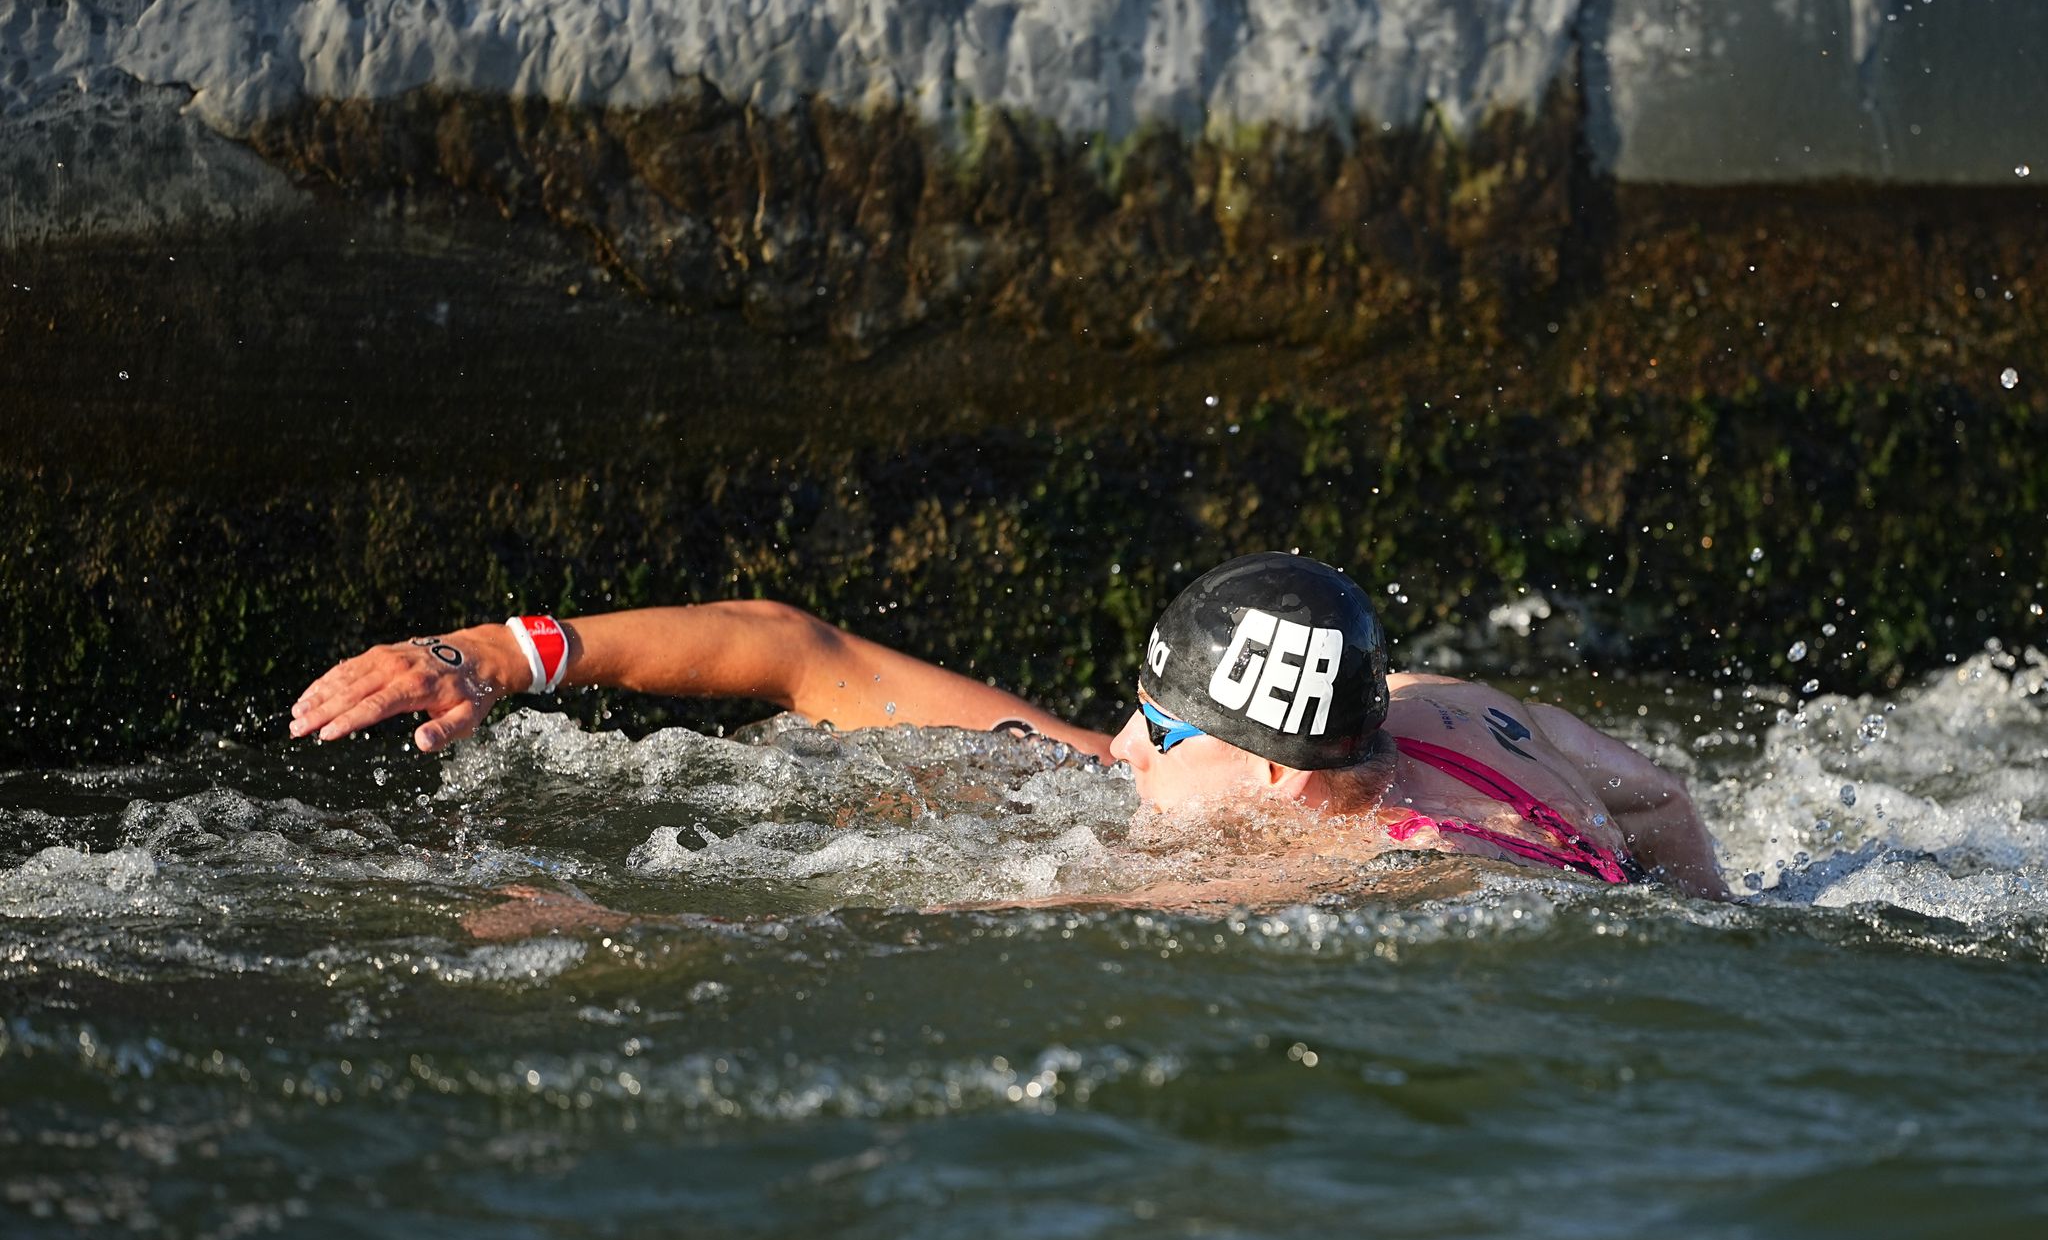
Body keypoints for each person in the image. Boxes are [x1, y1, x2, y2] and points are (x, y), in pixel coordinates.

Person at [290, 553, 1729, 899]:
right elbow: (800, 649)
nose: (1122, 736)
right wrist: (489, 651)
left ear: (1283, 778)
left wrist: (620, 934)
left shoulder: (1281, 880)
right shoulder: (1450, 715)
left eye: (1159, 724)